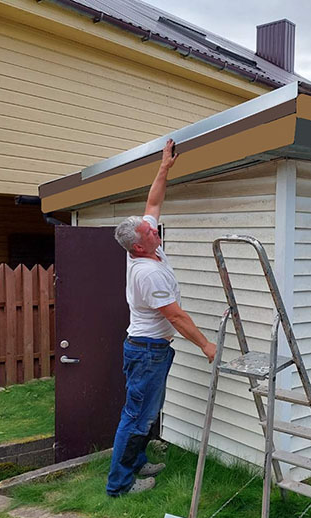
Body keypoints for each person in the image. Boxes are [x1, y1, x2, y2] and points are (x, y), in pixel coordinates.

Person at [107, 138, 217, 497]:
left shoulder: (146, 245)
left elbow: (153, 201)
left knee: (145, 413)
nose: (155, 228)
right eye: (150, 231)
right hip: (147, 352)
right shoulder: (147, 273)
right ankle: (120, 485)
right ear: (138, 246)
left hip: (150, 351)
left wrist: (165, 166)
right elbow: (177, 316)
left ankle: (137, 463)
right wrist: (206, 346)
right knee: (137, 417)